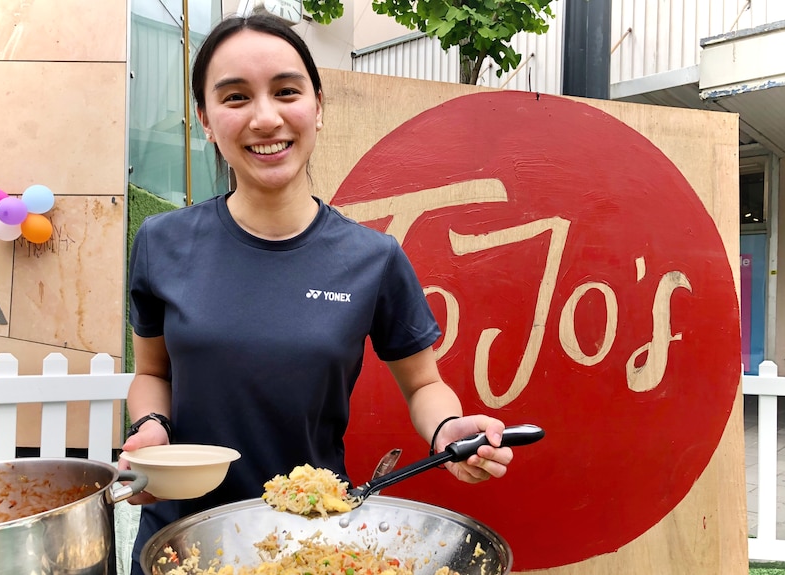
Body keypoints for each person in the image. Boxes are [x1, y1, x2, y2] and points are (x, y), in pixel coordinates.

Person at [121, 12, 514, 574]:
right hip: (182, 544)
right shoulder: (163, 243)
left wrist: (449, 432)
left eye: (286, 91)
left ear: (318, 106)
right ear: (206, 120)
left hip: (312, 542)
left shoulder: (372, 258)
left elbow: (425, 382)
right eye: (235, 98)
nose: (265, 117)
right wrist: (150, 430)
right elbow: (153, 373)